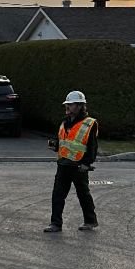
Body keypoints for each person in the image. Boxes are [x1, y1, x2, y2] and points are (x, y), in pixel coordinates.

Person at [44, 89, 99, 232]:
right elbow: (62, 141)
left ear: (80, 106)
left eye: (71, 104)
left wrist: (87, 163)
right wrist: (55, 144)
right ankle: (55, 223)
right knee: (57, 195)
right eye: (67, 105)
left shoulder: (89, 124)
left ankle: (90, 221)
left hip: (78, 165)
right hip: (63, 164)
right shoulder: (64, 122)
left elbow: (92, 146)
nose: (67, 107)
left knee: (83, 194)